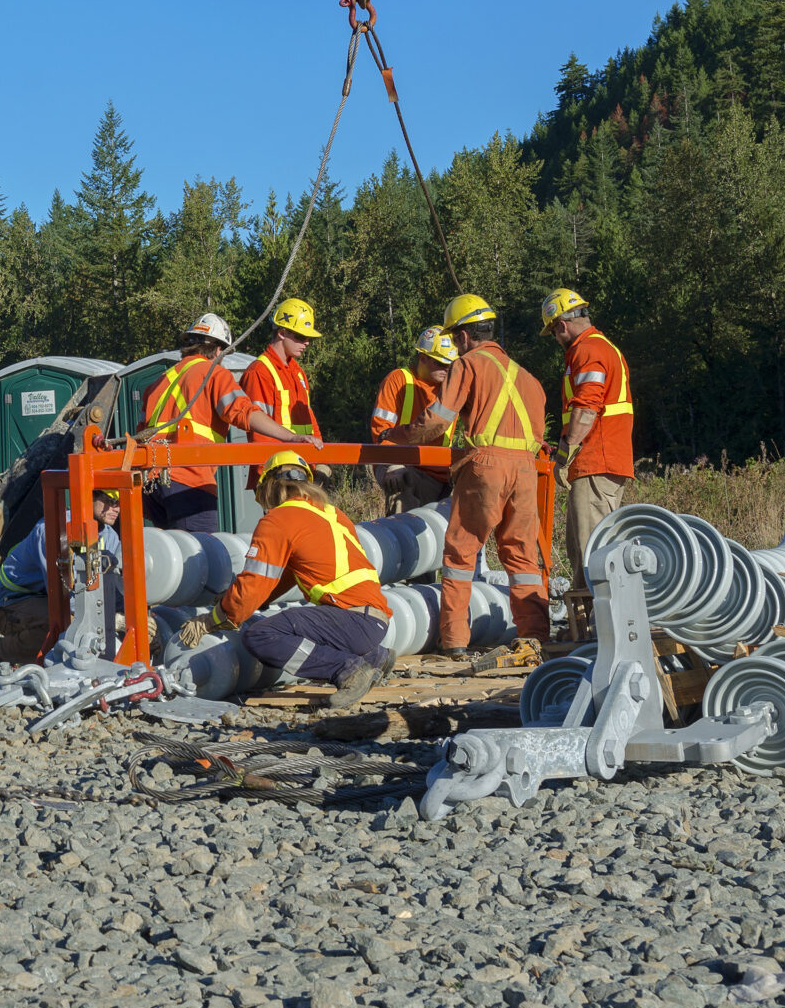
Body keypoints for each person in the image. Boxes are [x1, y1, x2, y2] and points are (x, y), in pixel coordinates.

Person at [388, 294, 548, 655]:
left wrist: (398, 437)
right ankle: (537, 637)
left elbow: (438, 420)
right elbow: (537, 436)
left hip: (487, 466)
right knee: (523, 558)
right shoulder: (529, 378)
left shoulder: (468, 365)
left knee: (460, 554)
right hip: (525, 469)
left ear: (462, 337)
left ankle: (455, 640)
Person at [212, 450, 394, 706]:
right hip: (373, 619)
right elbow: (286, 575)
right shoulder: (332, 513)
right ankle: (376, 657)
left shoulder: (278, 520)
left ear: (268, 487)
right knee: (302, 625)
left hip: (353, 620)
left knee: (260, 635)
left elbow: (253, 584)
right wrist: (261, 599)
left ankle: (348, 670)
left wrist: (218, 616)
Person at [138, 313, 300, 534]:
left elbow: (141, 433)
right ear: (218, 350)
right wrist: (290, 437)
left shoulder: (159, 382)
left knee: (172, 557)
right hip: (188, 480)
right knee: (201, 556)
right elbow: (243, 412)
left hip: (151, 485)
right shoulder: (212, 373)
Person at [542, 288, 635, 590]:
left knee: (591, 551)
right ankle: (588, 623)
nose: (556, 339)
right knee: (585, 546)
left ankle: (595, 627)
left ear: (561, 325)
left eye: (554, 332)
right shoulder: (600, 347)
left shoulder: (588, 350)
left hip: (595, 461)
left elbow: (586, 408)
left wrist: (563, 454)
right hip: (599, 461)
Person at [0, 492, 118, 667]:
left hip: (44, 600)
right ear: (88, 497)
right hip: (8, 603)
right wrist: (109, 618)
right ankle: (1, 661)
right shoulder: (52, 531)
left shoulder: (110, 536)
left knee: (85, 621)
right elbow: (62, 594)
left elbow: (112, 585)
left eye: (119, 502)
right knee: (57, 623)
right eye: (110, 501)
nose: (116, 508)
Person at [370, 327, 457, 513]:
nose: (447, 369)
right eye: (441, 364)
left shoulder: (453, 388)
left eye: (451, 365)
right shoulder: (399, 380)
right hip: (401, 464)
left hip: (440, 472)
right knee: (401, 486)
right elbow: (381, 431)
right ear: (423, 358)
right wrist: (393, 463)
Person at [241, 299, 325, 443]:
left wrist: (320, 459)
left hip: (302, 461)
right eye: (300, 336)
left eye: (308, 338)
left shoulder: (297, 372)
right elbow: (258, 430)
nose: (306, 342)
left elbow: (309, 420)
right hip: (277, 462)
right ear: (281, 333)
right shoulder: (259, 372)